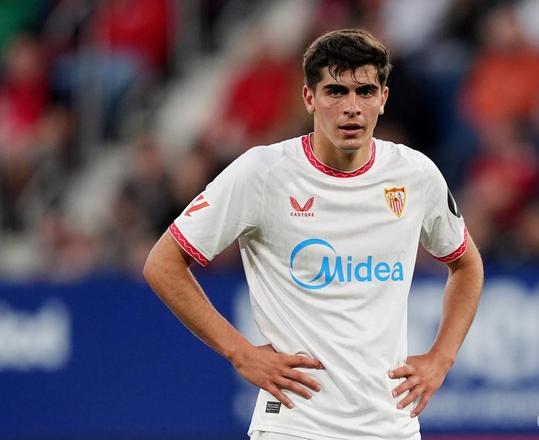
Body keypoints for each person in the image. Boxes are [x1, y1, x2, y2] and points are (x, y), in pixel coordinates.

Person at [143, 29, 484, 440]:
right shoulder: (263, 172)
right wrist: (240, 353)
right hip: (295, 424)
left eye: (365, 91)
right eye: (335, 91)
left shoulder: (415, 174)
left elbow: (466, 265)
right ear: (309, 98)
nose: (351, 107)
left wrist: (441, 358)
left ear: (383, 98)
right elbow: (163, 263)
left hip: (391, 425)